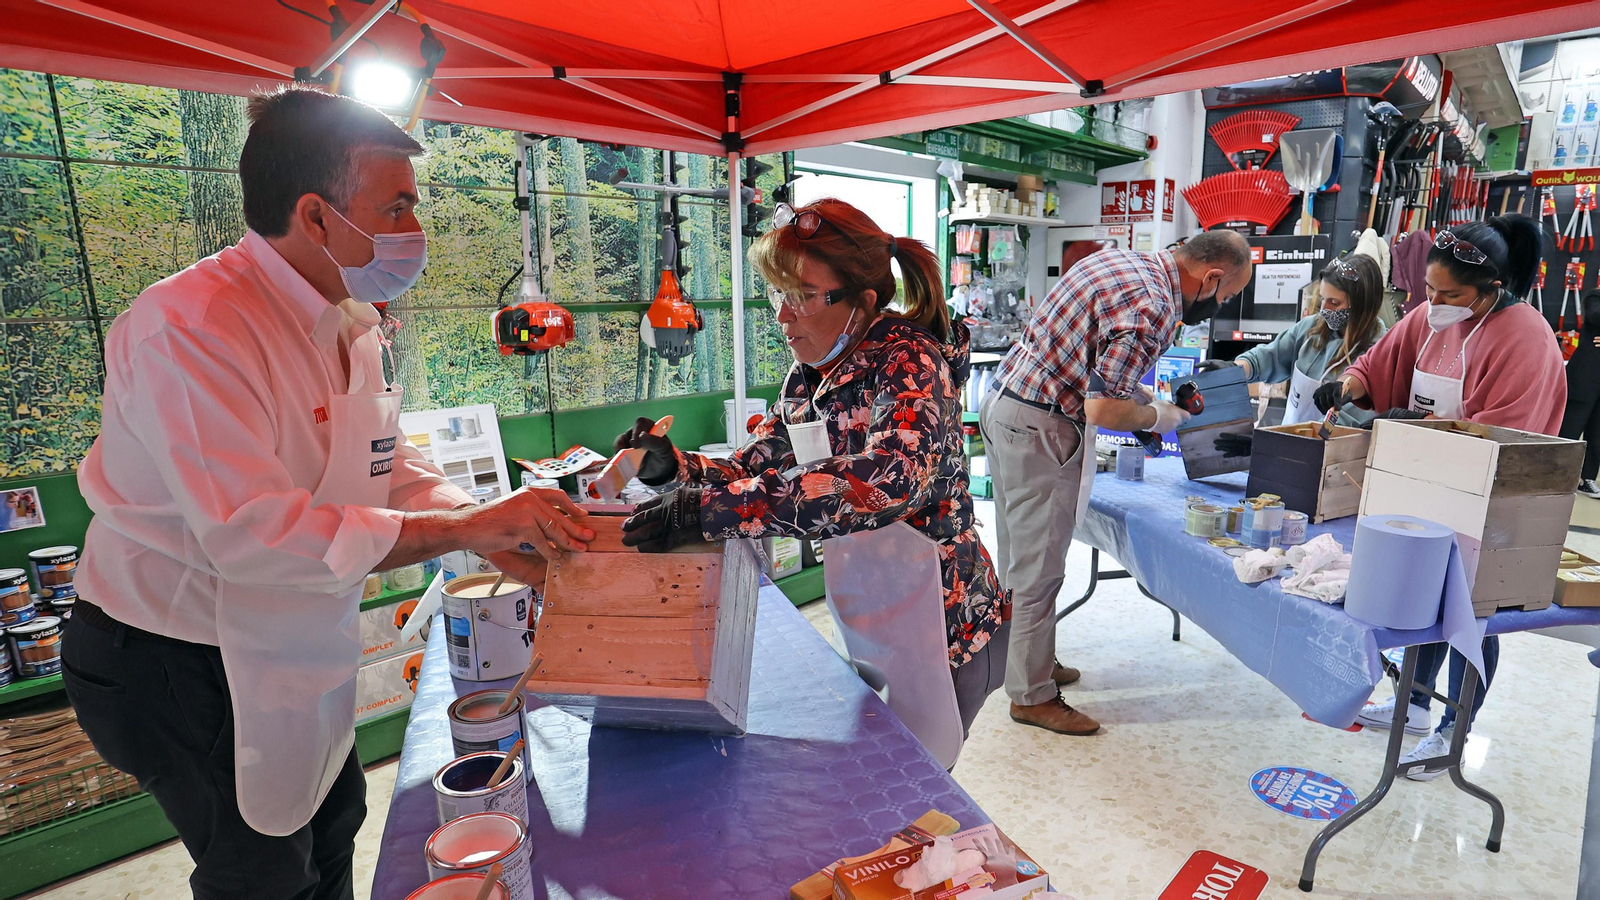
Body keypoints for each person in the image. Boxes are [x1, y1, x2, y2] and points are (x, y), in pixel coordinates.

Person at [64, 87, 592, 900]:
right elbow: (255, 534)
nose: (415, 232)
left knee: (335, 817)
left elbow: (382, 464)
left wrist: (487, 531)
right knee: (261, 871)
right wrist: (464, 528)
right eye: (399, 206)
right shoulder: (192, 324)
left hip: (294, 632)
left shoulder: (352, 323)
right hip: (174, 652)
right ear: (315, 215)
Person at [614, 199, 1005, 769]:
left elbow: (887, 481)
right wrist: (674, 470)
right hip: (878, 601)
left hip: (948, 622)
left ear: (862, 302)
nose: (782, 316)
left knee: (918, 781)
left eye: (801, 295)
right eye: (778, 293)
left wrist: (708, 511)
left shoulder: (909, 361)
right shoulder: (810, 374)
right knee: (881, 766)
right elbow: (758, 464)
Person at [979, 230, 1254, 736]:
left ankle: (1026, 662)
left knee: (1020, 553)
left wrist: (1144, 398)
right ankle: (1031, 696)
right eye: (1227, 296)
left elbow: (1099, 366)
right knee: (1038, 567)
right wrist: (1157, 417)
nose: (1220, 306)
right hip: (1040, 424)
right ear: (1211, 277)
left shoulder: (1121, 264)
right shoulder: (1154, 308)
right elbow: (1103, 408)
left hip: (1004, 404)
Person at [1316, 215, 1561, 780]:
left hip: (1493, 501)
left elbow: (1505, 435)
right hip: (1426, 484)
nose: (1435, 302)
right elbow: (1380, 360)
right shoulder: (1429, 316)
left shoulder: (1525, 337)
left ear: (1492, 288)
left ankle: (1457, 731)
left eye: (1451, 294)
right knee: (1424, 598)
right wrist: (1349, 384)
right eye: (1430, 289)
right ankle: (1419, 706)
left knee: (1471, 613)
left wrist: (1415, 429)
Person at [1207, 253, 1386, 458]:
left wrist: (1267, 444)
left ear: (1362, 306)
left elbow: (1343, 428)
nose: (1324, 309)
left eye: (1334, 303)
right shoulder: (1312, 329)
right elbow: (1268, 357)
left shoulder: (1378, 353)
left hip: (1333, 462)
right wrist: (1236, 369)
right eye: (1322, 299)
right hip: (1285, 451)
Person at [1559, 291, 1600, 498]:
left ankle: (1588, 478)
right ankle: (1558, 473)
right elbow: (1594, 316)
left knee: (1597, 433)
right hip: (1584, 376)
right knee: (1570, 428)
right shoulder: (1595, 297)